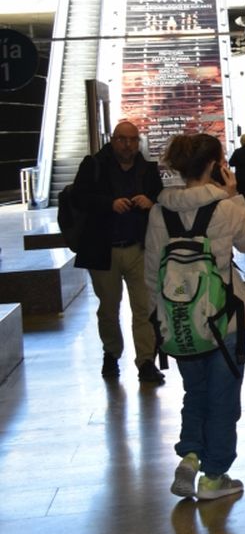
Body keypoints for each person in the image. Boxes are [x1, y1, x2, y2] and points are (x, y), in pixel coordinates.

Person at [145, 134, 245, 500]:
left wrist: (164, 319)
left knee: (195, 393)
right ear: (215, 166)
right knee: (223, 399)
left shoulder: (158, 211)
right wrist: (234, 195)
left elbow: (152, 273)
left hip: (181, 325)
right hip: (224, 322)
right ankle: (214, 477)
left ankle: (190, 456)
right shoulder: (225, 208)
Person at [71, 120, 166, 383]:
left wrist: (151, 201)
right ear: (113, 140)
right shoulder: (94, 165)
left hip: (139, 247)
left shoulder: (147, 170)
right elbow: (78, 198)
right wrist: (109, 204)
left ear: (138, 142)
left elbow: (160, 197)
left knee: (144, 307)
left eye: (133, 140)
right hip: (104, 250)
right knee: (109, 308)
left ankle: (146, 361)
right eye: (123, 139)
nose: (128, 145)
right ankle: (111, 353)